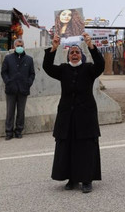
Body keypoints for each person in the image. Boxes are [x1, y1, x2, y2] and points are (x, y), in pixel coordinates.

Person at [43, 32, 104, 193]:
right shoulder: (63, 70)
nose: (75, 55)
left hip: (86, 116)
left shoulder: (89, 69)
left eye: (77, 52)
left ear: (81, 55)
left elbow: (101, 64)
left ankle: (86, 180)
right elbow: (47, 67)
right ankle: (72, 178)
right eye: (72, 53)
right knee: (68, 147)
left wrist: (90, 45)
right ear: (68, 56)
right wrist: (54, 47)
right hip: (67, 116)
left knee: (85, 148)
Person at [1, 39, 35, 140]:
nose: (19, 47)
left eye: (21, 45)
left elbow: (32, 74)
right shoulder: (8, 58)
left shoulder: (29, 59)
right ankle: (9, 132)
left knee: (21, 112)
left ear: (23, 46)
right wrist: (8, 81)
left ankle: (19, 131)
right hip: (11, 90)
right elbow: (3, 72)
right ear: (14, 46)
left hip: (23, 90)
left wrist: (28, 83)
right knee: (10, 111)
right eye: (18, 45)